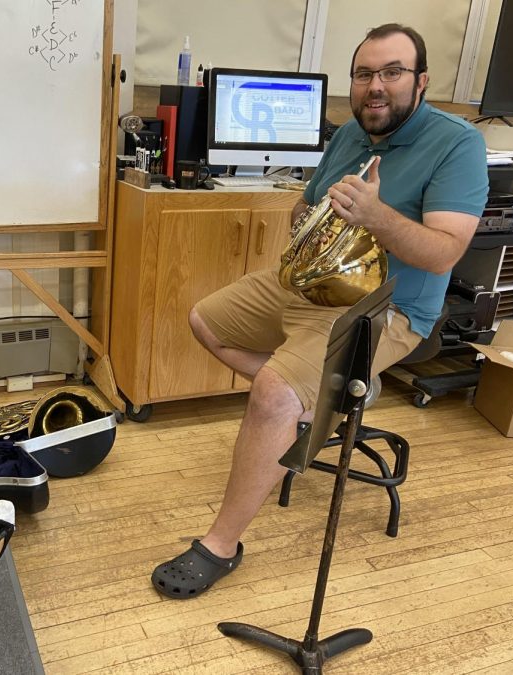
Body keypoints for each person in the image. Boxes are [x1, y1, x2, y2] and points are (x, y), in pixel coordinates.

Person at [151, 23, 489, 599]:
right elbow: (310, 205)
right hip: (311, 285)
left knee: (274, 394)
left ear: (421, 80)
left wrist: (377, 216)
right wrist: (302, 222)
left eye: (391, 73)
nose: (375, 86)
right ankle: (328, 394)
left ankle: (220, 545)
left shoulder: (458, 143)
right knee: (205, 319)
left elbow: (446, 251)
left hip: (389, 307)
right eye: (364, 74)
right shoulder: (352, 136)